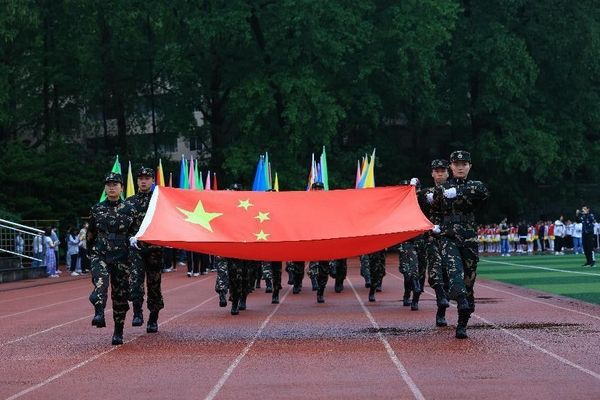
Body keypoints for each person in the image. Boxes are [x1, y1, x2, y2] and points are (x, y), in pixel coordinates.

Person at [431, 150, 489, 339]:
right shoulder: (442, 188)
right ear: (451, 167)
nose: (460, 167)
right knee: (453, 270)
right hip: (448, 236)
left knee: (469, 280)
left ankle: (462, 321)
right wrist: (435, 226)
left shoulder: (474, 186)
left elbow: (483, 192)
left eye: (464, 164)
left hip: (469, 238)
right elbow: (434, 209)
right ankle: (461, 298)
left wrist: (459, 191)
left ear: (469, 166)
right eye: (457, 164)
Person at [87, 172, 135, 345]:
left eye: (115, 184)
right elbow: (91, 232)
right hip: (100, 254)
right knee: (101, 282)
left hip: (122, 257)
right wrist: (89, 252)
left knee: (120, 295)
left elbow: (136, 233)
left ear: (121, 187)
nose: (111, 187)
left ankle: (118, 330)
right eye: (108, 184)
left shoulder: (130, 210)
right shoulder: (97, 208)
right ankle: (99, 312)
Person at [125, 167, 165, 332]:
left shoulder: (160, 201)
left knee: (154, 284)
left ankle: (153, 317)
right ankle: (137, 312)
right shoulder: (129, 202)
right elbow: (124, 226)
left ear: (153, 181)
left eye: (147, 178)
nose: (143, 181)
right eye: (140, 178)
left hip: (155, 249)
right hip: (136, 249)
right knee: (135, 282)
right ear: (137, 181)